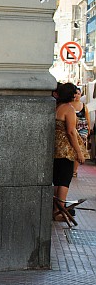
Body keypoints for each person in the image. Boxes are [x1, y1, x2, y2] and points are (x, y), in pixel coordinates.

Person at [53, 82, 85, 216]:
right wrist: (79, 152)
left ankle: (56, 209)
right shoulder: (69, 109)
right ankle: (59, 211)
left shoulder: (57, 107)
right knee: (64, 180)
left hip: (56, 149)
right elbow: (71, 131)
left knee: (57, 179)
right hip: (66, 150)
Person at [71, 87, 90, 177]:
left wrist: (89, 129)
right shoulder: (69, 105)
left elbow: (87, 118)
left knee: (79, 148)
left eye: (78, 93)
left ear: (80, 95)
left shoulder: (84, 106)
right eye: (75, 93)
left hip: (82, 129)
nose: (76, 95)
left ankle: (74, 170)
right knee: (72, 148)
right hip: (72, 128)